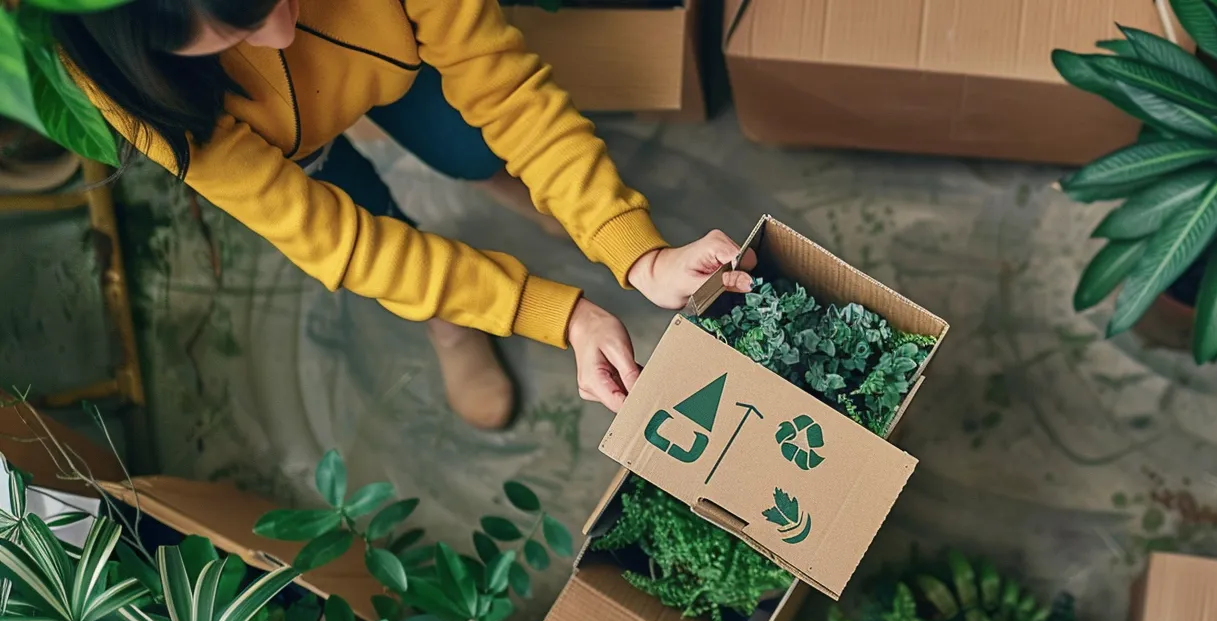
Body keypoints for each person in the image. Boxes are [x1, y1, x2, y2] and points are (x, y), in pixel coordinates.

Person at [53, 0, 754, 429]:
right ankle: (449, 326)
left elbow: (507, 91)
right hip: (291, 151)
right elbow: (352, 248)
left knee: (475, 146)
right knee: (371, 219)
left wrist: (635, 251)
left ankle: (512, 187)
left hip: (401, 55)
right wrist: (556, 313)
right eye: (234, 33)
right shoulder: (135, 85)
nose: (280, 30)